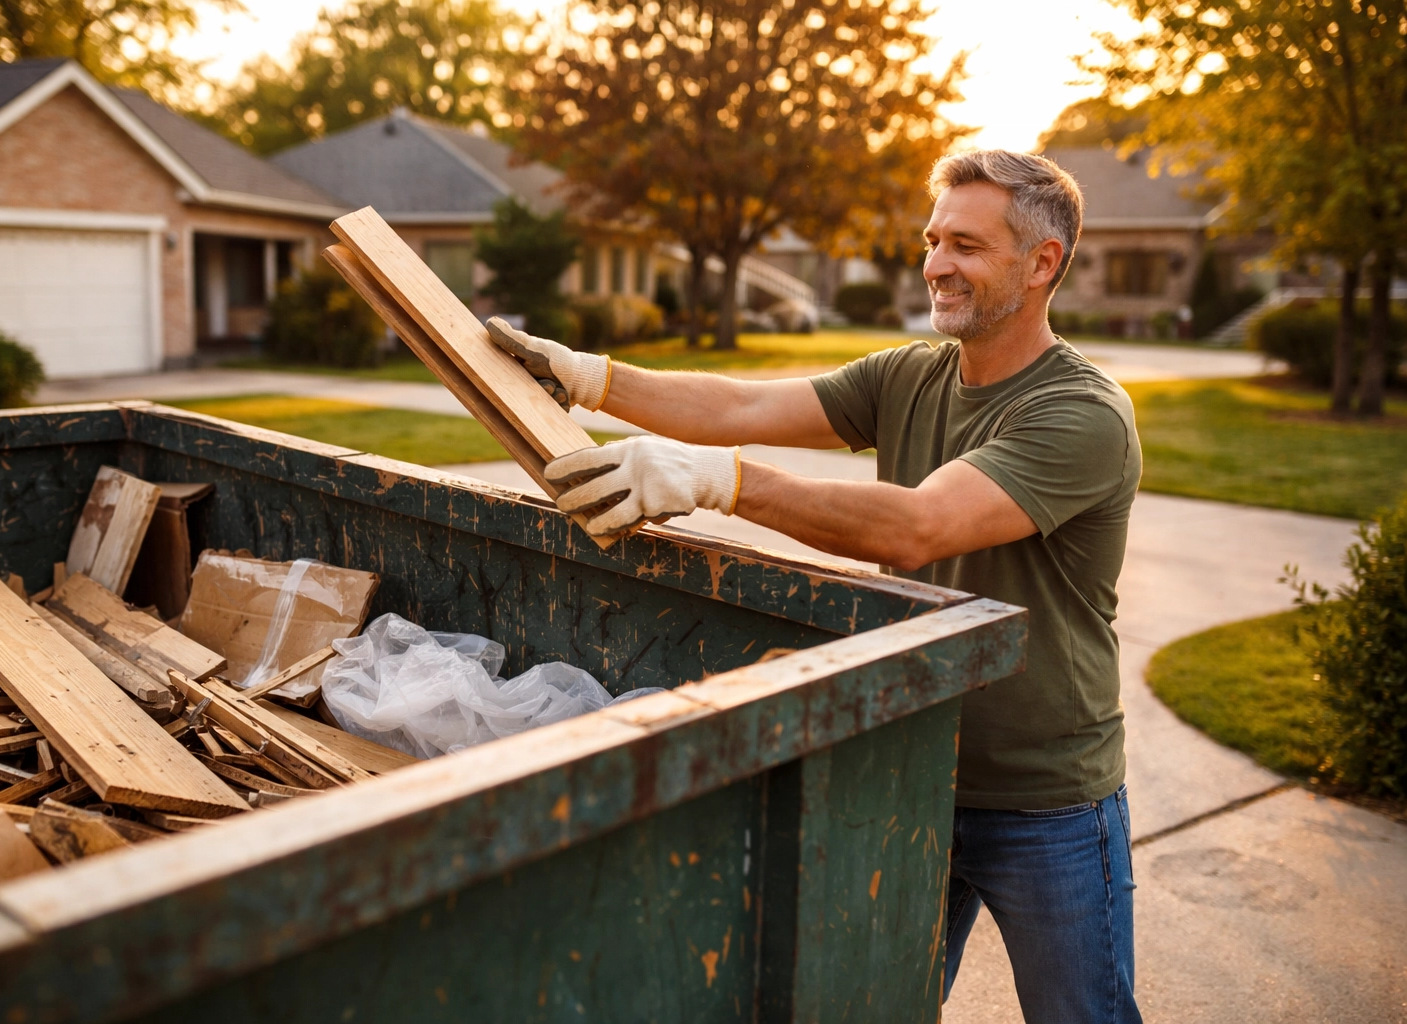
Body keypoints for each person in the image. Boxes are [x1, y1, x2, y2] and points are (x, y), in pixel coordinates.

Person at [489, 149, 1142, 1024]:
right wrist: (591, 378)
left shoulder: (1081, 414)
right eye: (932, 238)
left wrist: (723, 482)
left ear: (1043, 264)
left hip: (1045, 799)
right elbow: (740, 410)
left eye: (967, 245)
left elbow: (916, 527)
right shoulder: (909, 376)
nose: (936, 263)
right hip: (909, 767)